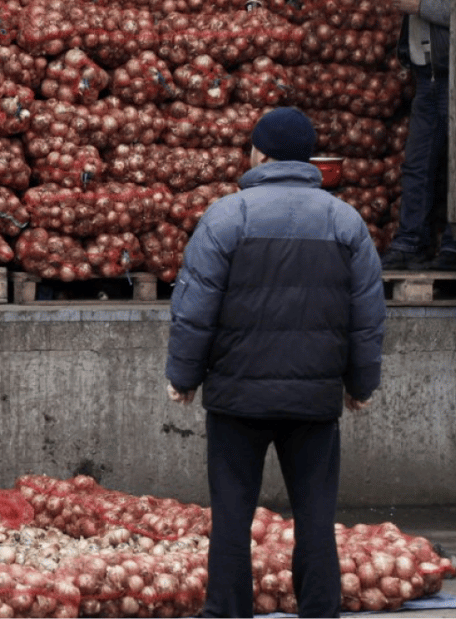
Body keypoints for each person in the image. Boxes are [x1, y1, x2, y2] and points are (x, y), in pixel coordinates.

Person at [165, 106, 385, 619]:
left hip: (237, 397)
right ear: (308, 159)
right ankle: (319, 610)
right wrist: (360, 383)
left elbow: (195, 309)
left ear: (259, 154)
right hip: (313, 399)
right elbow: (368, 315)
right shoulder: (343, 220)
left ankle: (227, 611)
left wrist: (184, 376)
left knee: (232, 516)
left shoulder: (227, 216)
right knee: (315, 515)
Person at [384, 0, 453, 271]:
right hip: (426, 78)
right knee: (419, 164)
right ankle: (410, 244)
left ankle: (452, 250)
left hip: (451, 80)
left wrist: (420, 6)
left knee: (452, 166)